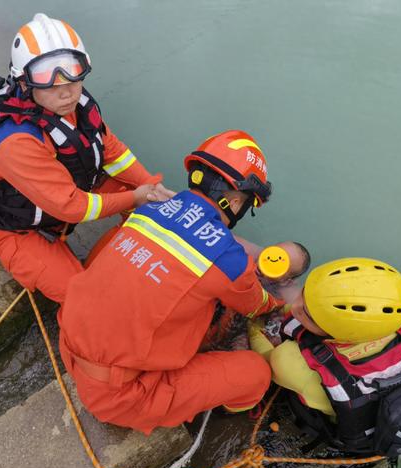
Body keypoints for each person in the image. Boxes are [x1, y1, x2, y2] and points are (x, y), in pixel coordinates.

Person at [59, 130, 283, 434]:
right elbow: (256, 304)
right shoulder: (227, 258)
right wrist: (280, 303)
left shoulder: (148, 209)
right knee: (256, 374)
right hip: (119, 394)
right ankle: (218, 411)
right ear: (235, 200)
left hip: (71, 346)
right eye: (248, 204)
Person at [0, 14, 173, 304]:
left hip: (59, 198)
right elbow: (72, 206)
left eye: (73, 72)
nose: (66, 89)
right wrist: (135, 197)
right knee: (84, 299)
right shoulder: (15, 141)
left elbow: (112, 151)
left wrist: (150, 187)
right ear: (24, 81)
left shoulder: (74, 104)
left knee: (157, 209)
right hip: (18, 228)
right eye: (48, 78)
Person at [249, 258, 401, 461]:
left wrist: (252, 328)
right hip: (395, 409)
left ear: (339, 335)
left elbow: (265, 361)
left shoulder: (288, 361)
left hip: (349, 430)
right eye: (305, 294)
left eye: (307, 313)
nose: (295, 307)